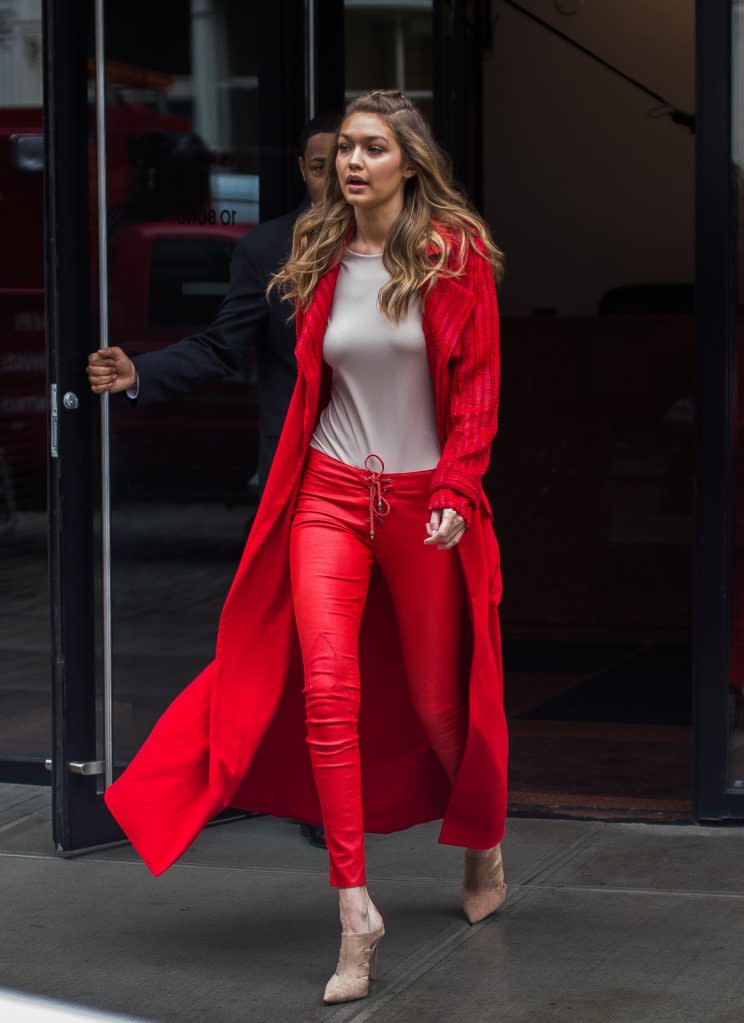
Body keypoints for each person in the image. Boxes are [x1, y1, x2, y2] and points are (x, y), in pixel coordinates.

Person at [102, 88, 508, 1008]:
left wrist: (454, 490)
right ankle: (354, 909)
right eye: (345, 151)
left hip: (419, 503)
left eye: (372, 149)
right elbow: (254, 354)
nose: (354, 163)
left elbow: (477, 389)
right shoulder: (315, 255)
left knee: (442, 701)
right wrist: (141, 371)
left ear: (410, 160)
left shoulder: (457, 257)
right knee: (329, 688)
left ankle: (481, 832)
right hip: (327, 493)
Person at [87, 113, 341, 850]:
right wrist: (143, 371)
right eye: (322, 162)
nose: (337, 174)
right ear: (303, 168)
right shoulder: (268, 247)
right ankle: (313, 795)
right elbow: (222, 345)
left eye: (353, 156)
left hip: (392, 473)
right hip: (301, 477)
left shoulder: (400, 248)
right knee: (307, 645)